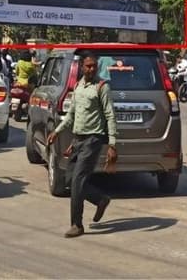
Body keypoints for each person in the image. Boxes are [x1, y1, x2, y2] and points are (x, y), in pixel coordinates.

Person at [47, 52, 118, 238]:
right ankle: (100, 199)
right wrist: (57, 132)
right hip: (78, 140)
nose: (91, 69)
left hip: (93, 140)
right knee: (70, 179)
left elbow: (110, 115)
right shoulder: (78, 86)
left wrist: (112, 145)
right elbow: (71, 115)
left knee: (78, 180)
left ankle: (76, 225)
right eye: (88, 66)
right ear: (81, 67)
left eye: (94, 66)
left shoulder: (102, 87)